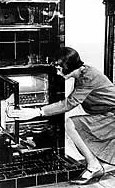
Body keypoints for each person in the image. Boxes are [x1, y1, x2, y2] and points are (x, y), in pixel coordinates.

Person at [7, 46, 115, 185]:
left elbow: (69, 103)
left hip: (112, 115)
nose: (57, 73)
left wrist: (37, 112)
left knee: (71, 124)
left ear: (68, 66)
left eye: (59, 69)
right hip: (107, 114)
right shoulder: (84, 73)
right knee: (77, 126)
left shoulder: (89, 76)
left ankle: (94, 166)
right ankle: (95, 165)